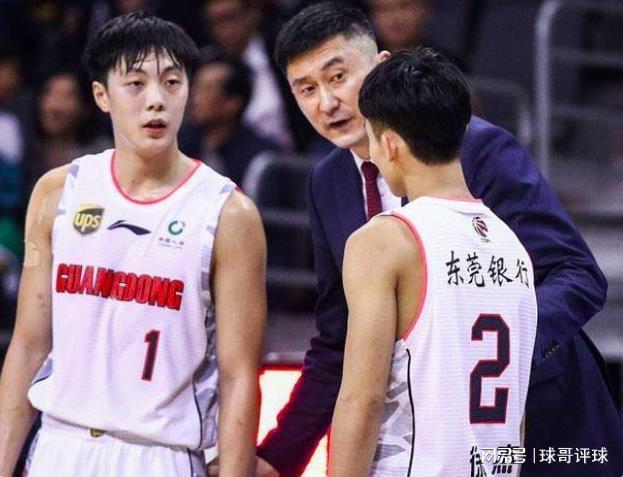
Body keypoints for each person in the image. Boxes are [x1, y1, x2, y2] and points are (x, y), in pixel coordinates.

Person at [255, 2, 623, 476]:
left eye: (338, 76)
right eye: (307, 89)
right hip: (428, 437)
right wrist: (278, 456)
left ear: (382, 66)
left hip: (539, 416)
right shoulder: (327, 182)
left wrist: (493, 346)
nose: (326, 102)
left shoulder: (477, 147)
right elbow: (339, 338)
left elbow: (577, 274)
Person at [0, 11, 266, 477]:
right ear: (101, 95)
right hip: (60, 446)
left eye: (172, 82)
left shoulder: (229, 213)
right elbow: (28, 344)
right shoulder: (57, 192)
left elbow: (240, 374)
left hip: (161, 453)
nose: (156, 100)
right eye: (136, 84)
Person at [330, 48, 537, 477]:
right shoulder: (512, 244)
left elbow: (362, 399)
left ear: (390, 144)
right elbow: (516, 416)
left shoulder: (385, 241)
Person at [181, 48, 280, 186]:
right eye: (196, 87)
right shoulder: (180, 143)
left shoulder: (261, 158)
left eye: (207, 89)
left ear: (233, 103)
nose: (194, 97)